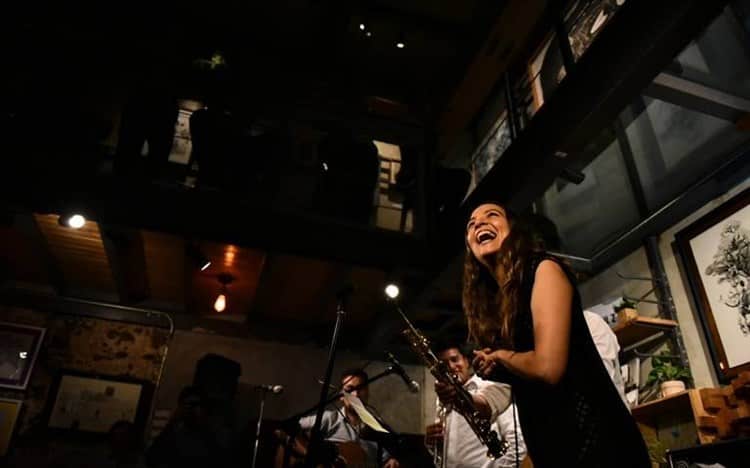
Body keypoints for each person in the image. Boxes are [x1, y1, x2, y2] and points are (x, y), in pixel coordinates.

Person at [464, 202, 650, 467]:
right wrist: (495, 368)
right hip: (554, 450)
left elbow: (548, 368)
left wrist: (502, 356)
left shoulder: (544, 269)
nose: (478, 224)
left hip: (598, 446)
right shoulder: (500, 305)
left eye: (491, 215)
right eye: (471, 224)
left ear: (515, 231)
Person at [425, 341, 526, 468]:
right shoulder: (442, 399)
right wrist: (432, 445)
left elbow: (517, 444)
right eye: (444, 364)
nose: (450, 366)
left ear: (466, 361)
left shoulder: (490, 389)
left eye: (455, 360)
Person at [298, 369, 400, 468]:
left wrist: (392, 460)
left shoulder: (377, 426)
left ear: (367, 392)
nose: (355, 394)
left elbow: (388, 456)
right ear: (341, 396)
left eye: (361, 388)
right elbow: (290, 428)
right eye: (350, 389)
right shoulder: (329, 419)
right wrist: (308, 456)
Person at [145, 386, 228, 468]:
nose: (191, 410)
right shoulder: (172, 434)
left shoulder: (210, 438)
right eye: (187, 405)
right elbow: (151, 458)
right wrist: (173, 422)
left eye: (196, 405)